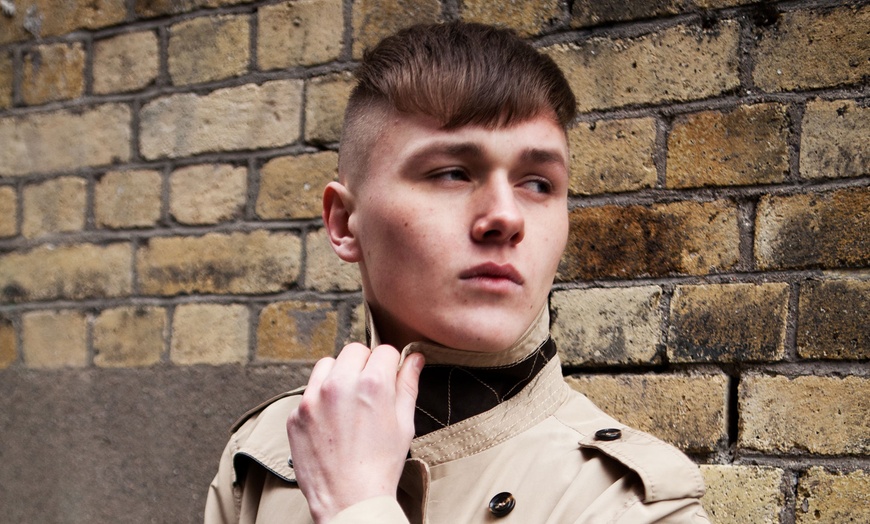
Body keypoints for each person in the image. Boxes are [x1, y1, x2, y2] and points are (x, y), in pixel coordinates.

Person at [205, 22, 710, 524]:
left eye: (537, 183)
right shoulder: (264, 456)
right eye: (451, 173)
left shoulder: (633, 504)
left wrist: (356, 508)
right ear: (343, 223)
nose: (506, 217)